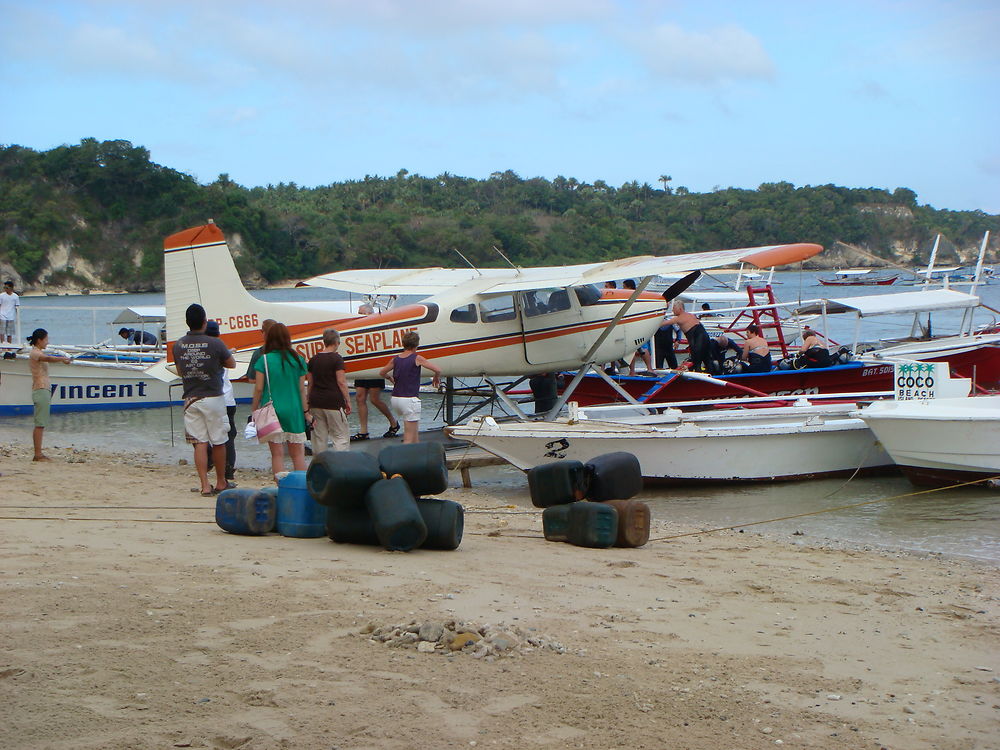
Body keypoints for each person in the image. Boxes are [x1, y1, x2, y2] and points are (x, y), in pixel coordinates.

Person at [172, 304, 236, 496]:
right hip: (213, 395)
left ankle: (204, 485)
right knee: (218, 440)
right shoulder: (215, 343)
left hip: (191, 397)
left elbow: (181, 370)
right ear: (204, 321)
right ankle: (221, 481)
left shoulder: (179, 345)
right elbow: (231, 364)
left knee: (199, 442)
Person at [251, 322, 310, 481]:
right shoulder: (298, 360)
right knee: (297, 454)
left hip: (273, 410)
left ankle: (281, 487)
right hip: (294, 410)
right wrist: (306, 412)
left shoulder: (264, 360)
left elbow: (258, 388)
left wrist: (254, 409)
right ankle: (300, 487)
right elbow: (301, 390)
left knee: (277, 454)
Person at [379, 331, 441, 444]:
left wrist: (390, 378)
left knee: (414, 433)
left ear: (403, 344)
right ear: (416, 345)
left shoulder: (395, 359)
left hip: (396, 398)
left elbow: (382, 372)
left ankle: (416, 453)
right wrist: (436, 377)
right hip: (409, 399)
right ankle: (404, 458)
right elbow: (437, 369)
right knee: (408, 436)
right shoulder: (417, 358)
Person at [351, 303, 399, 441]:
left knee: (374, 399)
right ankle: (363, 430)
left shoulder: (377, 327)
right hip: (361, 365)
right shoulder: (356, 328)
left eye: (361, 313)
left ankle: (393, 422)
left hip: (373, 366)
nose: (359, 316)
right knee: (360, 397)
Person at [27, 328, 71, 461]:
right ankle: (38, 454)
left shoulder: (37, 351)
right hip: (40, 388)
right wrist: (62, 359)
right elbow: (47, 358)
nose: (47, 342)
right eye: (46, 339)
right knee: (40, 422)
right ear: (39, 340)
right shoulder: (35, 352)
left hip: (43, 388)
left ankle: (38, 453)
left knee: (41, 422)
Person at [306, 328, 352, 452]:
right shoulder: (337, 359)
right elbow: (341, 382)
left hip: (316, 401)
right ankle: (341, 465)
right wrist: (347, 401)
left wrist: (308, 401)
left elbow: (310, 383)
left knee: (319, 437)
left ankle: (320, 463)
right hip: (333, 401)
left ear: (324, 342)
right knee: (340, 436)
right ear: (336, 342)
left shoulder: (313, 359)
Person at [204, 320, 237, 484]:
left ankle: (211, 459)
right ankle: (228, 471)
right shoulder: (221, 347)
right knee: (228, 437)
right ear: (218, 333)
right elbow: (232, 364)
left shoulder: (203, 348)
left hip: (208, 397)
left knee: (205, 435)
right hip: (226, 398)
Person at [662, 300, 717, 374]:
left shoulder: (678, 318)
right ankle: (713, 375)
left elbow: (663, 324)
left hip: (697, 338)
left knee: (696, 362)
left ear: (680, 309)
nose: (672, 310)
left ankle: (698, 379)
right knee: (707, 359)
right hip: (705, 336)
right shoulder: (691, 315)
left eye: (674, 308)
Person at [246, 318, 277, 384]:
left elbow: (252, 379)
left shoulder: (258, 354)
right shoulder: (290, 353)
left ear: (263, 332)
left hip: (268, 393)